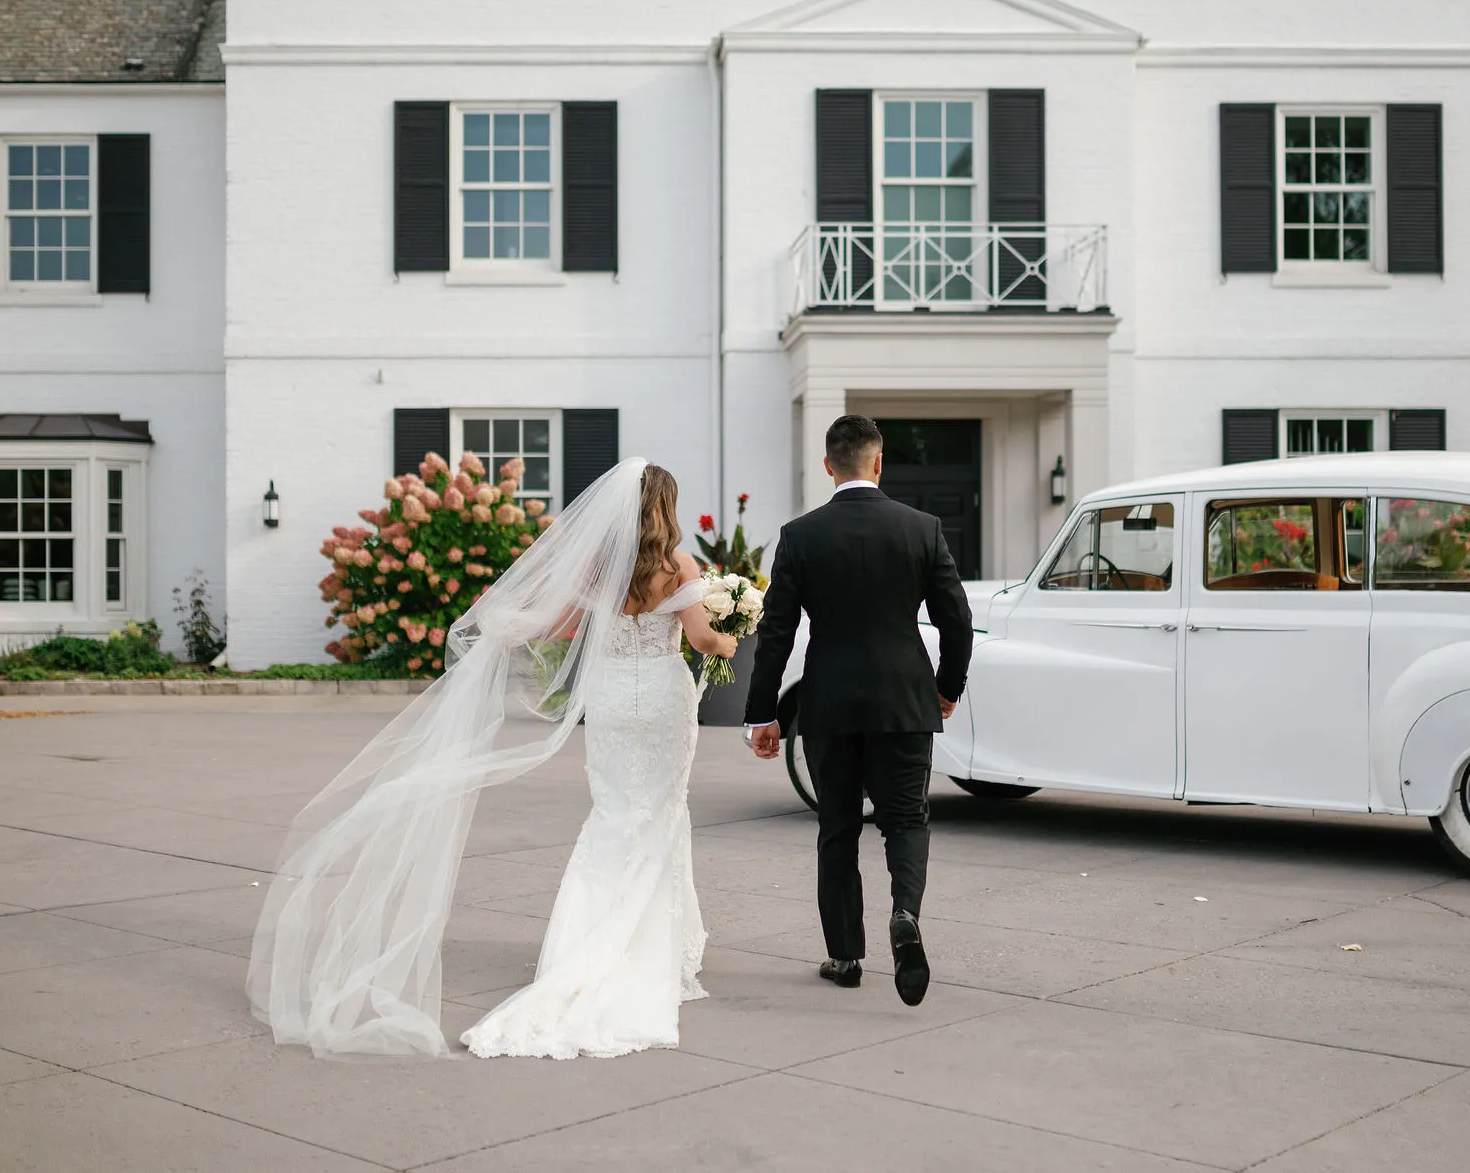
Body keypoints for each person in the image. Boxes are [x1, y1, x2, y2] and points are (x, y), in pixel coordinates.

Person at [247, 458, 737, 1059]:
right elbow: (703, 640)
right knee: (661, 813)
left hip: (608, 699)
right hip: (663, 697)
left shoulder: (597, 568)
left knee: (612, 815)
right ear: (666, 506)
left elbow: (557, 629)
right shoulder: (677, 567)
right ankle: (651, 951)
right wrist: (733, 629)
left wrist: (502, 624)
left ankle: (585, 946)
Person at [743, 415, 973, 1006]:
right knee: (906, 820)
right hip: (905, 699)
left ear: (828, 466)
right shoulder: (921, 528)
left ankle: (846, 956)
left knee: (838, 829)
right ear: (878, 461)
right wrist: (948, 687)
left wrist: (762, 713)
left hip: (830, 703)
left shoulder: (800, 535)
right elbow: (957, 620)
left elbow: (776, 631)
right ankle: (904, 915)